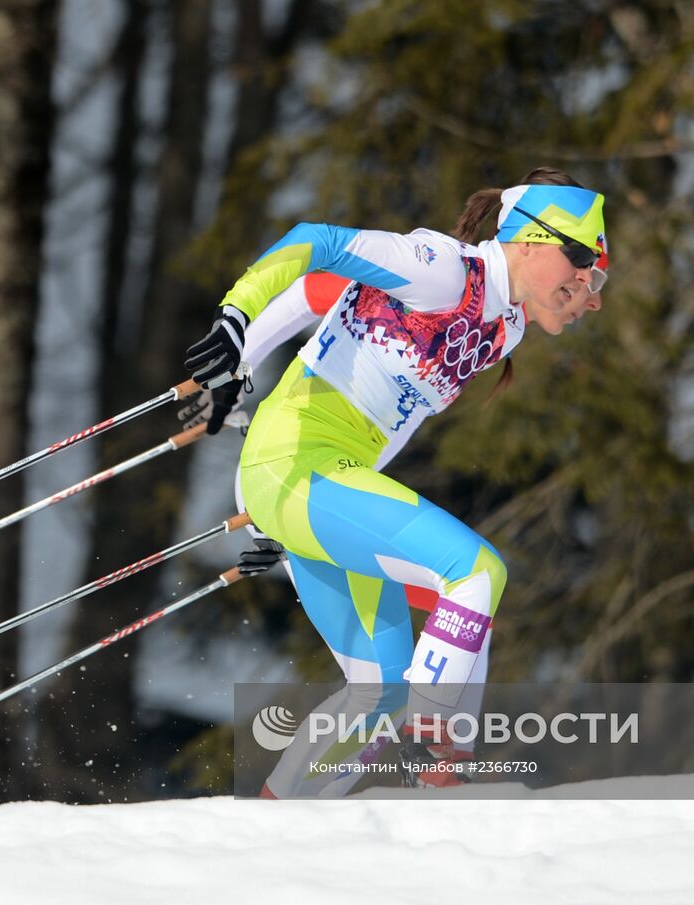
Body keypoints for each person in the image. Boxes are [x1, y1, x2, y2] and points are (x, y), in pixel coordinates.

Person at [186, 167, 609, 796]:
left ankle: (267, 842)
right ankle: (442, 785)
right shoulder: (442, 269)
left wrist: (313, 525)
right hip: (294, 464)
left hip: (326, 487)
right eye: (582, 262)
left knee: (379, 693)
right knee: (474, 574)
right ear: (529, 240)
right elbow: (316, 246)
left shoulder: (506, 325)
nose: (591, 290)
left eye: (598, 277)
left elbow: (364, 362)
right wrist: (236, 330)